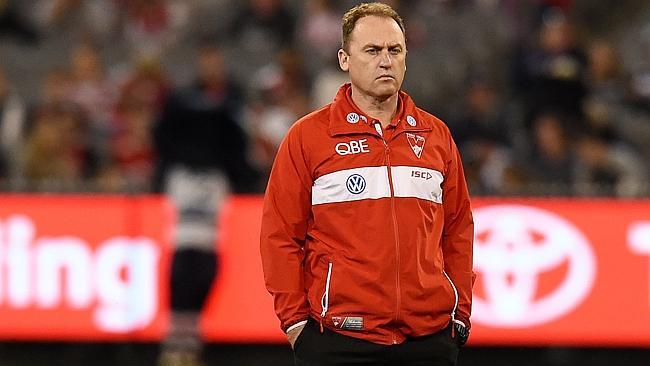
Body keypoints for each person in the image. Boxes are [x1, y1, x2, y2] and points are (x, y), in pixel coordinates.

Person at [260, 3, 474, 365]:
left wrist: (459, 315)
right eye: (372, 51)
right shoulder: (308, 137)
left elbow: (458, 231)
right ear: (345, 59)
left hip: (428, 340)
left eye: (395, 50)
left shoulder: (436, 136)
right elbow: (279, 236)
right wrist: (296, 323)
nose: (386, 61)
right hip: (338, 340)